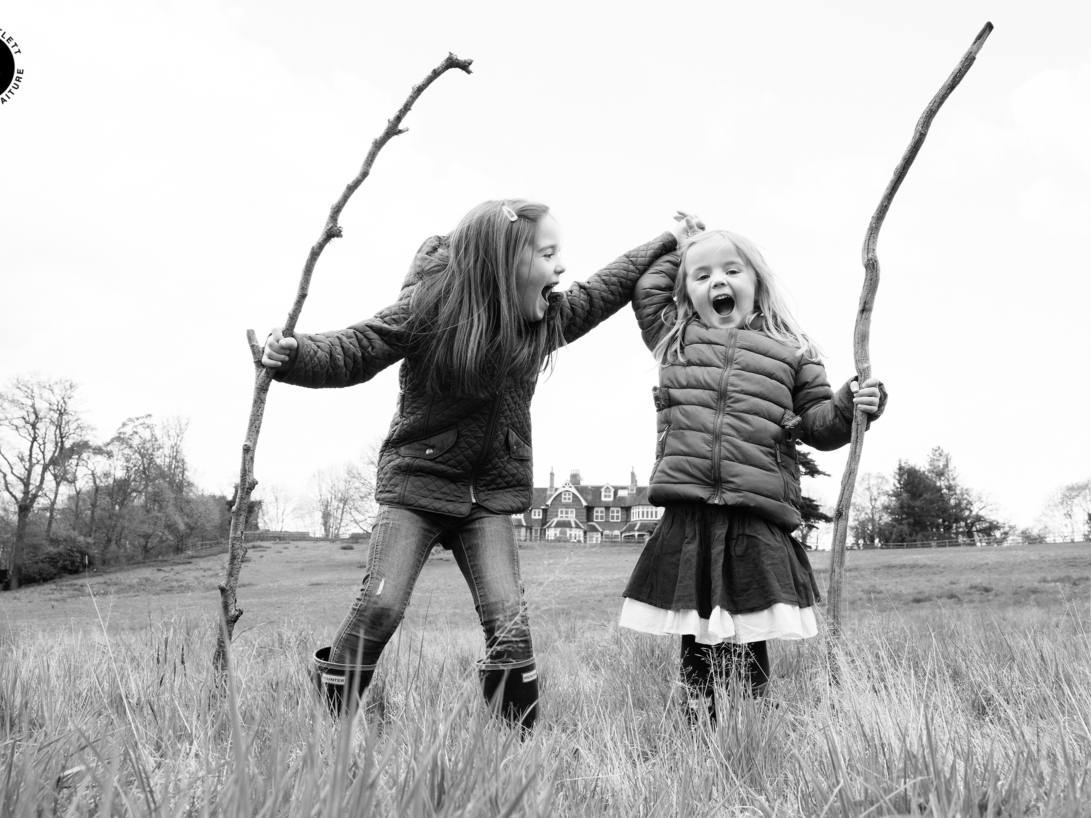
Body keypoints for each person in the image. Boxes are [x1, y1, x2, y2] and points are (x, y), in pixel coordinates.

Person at [262, 199, 699, 731]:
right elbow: (359, 347)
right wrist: (295, 356)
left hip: (489, 495)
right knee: (381, 607)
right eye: (548, 254)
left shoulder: (544, 320)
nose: (561, 267)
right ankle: (335, 712)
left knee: (508, 621)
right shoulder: (430, 307)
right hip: (418, 485)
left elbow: (606, 286)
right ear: (505, 260)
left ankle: (517, 739)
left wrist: (666, 241)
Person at [619, 227, 886, 722]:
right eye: (701, 276)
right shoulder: (675, 338)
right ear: (686, 292)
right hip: (691, 507)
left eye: (730, 270)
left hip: (754, 511)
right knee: (696, 631)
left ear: (757, 283)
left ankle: (751, 723)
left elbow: (819, 424)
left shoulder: (792, 350)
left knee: (749, 627)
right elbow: (646, 290)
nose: (716, 281)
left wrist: (851, 405)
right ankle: (698, 730)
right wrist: (678, 243)